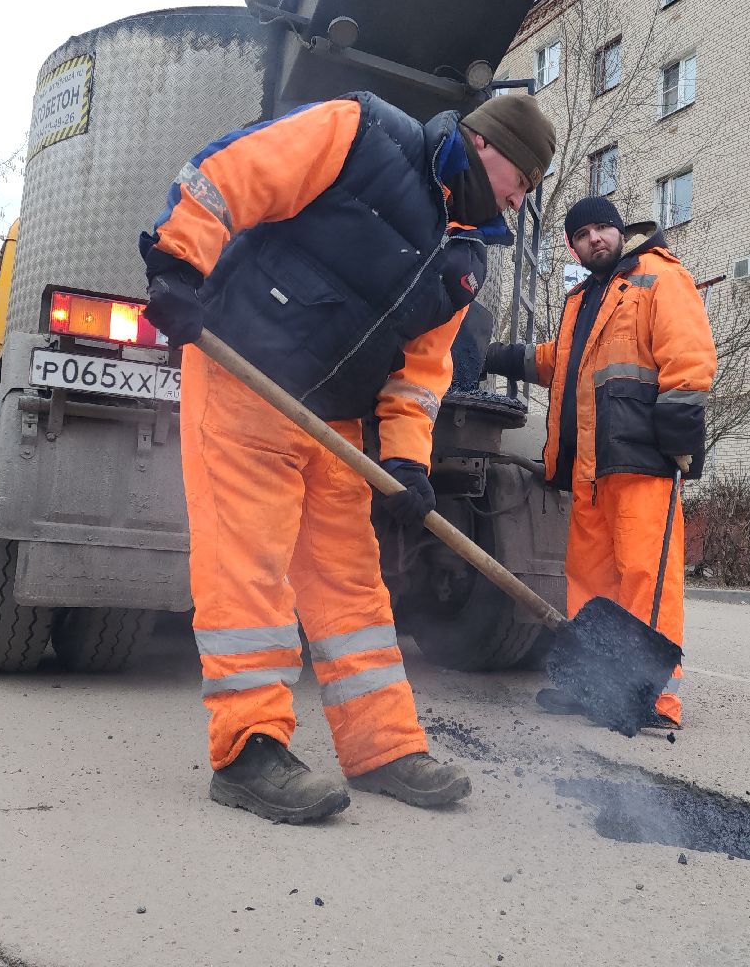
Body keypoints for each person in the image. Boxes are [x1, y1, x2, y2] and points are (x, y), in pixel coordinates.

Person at [139, 91, 556, 823]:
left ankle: (383, 746)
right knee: (249, 569)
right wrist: (179, 262)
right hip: (242, 370)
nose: (521, 198)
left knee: (353, 587)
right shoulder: (362, 133)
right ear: (487, 145)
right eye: (522, 176)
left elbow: (421, 374)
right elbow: (237, 172)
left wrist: (406, 465)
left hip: (332, 416)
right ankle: (250, 750)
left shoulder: (464, 258)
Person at [484, 196, 715, 730]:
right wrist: (494, 355)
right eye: (583, 233)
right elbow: (558, 363)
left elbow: (690, 356)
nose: (595, 239)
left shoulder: (656, 277)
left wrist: (677, 446)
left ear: (619, 231)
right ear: (573, 245)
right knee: (589, 584)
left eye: (603, 228)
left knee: (643, 578)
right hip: (589, 469)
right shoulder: (583, 300)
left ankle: (656, 699)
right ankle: (599, 689)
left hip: (642, 462)